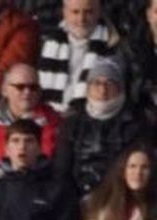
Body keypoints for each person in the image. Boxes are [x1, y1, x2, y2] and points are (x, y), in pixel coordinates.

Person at [54, 58, 143, 197]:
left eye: (110, 83)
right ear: (88, 88)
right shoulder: (72, 122)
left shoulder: (135, 122)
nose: (103, 89)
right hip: (76, 194)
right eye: (97, 83)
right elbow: (61, 169)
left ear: (120, 87)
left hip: (117, 196)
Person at [38, 0, 123, 114]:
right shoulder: (46, 41)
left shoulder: (115, 44)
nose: (81, 19)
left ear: (99, 12)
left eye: (88, 12)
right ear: (65, 12)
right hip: (48, 115)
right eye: (75, 12)